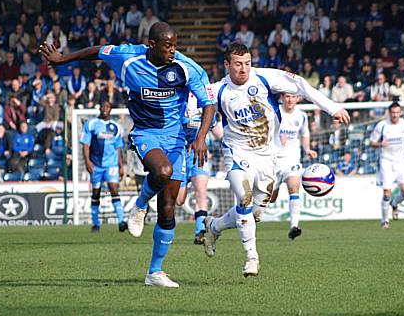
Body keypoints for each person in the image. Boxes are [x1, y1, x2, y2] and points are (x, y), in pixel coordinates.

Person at [39, 22, 216, 288]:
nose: (172, 50)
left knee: (168, 210)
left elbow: (209, 104)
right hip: (146, 134)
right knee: (162, 171)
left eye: (175, 45)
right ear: (152, 45)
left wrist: (201, 137)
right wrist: (63, 59)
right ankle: (141, 203)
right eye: (167, 45)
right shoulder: (128, 56)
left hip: (177, 138)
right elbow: (97, 51)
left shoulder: (187, 68)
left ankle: (154, 272)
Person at [203, 43, 350, 277]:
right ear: (227, 65)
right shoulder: (216, 90)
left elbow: (300, 83)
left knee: (254, 213)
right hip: (237, 153)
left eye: (248, 63)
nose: (244, 69)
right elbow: (189, 107)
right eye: (238, 64)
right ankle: (251, 257)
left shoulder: (264, 78)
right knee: (244, 197)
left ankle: (214, 226)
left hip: (267, 156)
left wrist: (331, 108)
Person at [176, 92, 223, 244]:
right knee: (179, 200)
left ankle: (200, 232)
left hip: (199, 155)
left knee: (201, 191)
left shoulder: (207, 108)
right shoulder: (179, 105)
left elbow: (219, 134)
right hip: (180, 156)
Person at [269, 93, 317, 240]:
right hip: (274, 159)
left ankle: (294, 226)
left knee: (294, 187)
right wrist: (276, 137)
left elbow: (304, 134)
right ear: (282, 97)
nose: (290, 100)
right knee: (270, 198)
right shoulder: (274, 112)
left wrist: (308, 149)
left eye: (293, 97)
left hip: (292, 159)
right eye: (287, 96)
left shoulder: (302, 116)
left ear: (298, 99)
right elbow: (265, 131)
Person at [80, 101, 127, 233]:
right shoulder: (91, 124)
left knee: (114, 189)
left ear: (111, 109)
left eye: (108, 107)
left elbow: (118, 148)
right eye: (103, 106)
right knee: (96, 192)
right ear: (99, 108)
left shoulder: (116, 127)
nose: (105, 109)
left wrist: (121, 165)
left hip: (111, 165)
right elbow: (85, 145)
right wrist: (88, 162)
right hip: (96, 165)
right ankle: (95, 223)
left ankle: (121, 221)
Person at [369, 102, 404, 229]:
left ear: (400, 113)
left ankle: (395, 204)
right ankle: (385, 221)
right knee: (386, 193)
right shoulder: (382, 126)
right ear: (389, 113)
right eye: (393, 113)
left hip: (402, 160)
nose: (395, 115)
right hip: (386, 160)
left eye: (397, 112)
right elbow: (372, 142)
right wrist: (380, 144)